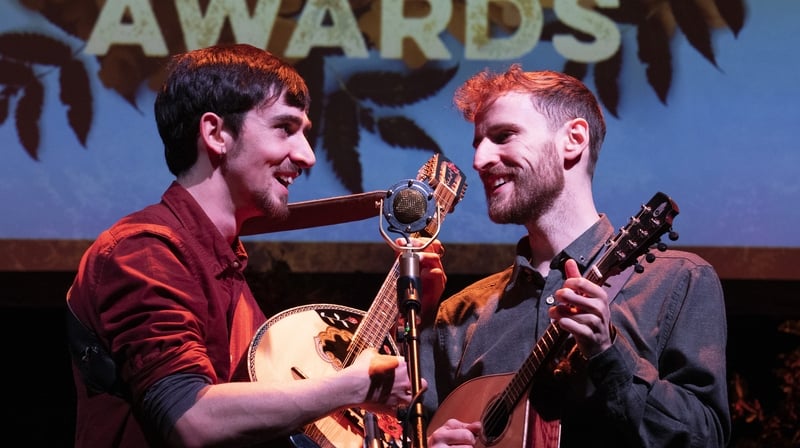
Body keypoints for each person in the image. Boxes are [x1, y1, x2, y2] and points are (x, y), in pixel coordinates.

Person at [65, 43, 446, 447]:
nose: (308, 156)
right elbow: (191, 420)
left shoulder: (226, 269)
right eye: (285, 128)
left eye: (304, 132)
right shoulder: (144, 252)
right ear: (216, 134)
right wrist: (351, 387)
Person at [421, 66, 730, 447]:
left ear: (574, 139)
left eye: (503, 136)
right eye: (478, 143)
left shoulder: (676, 281)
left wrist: (608, 353)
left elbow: (704, 438)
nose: (480, 159)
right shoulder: (458, 317)